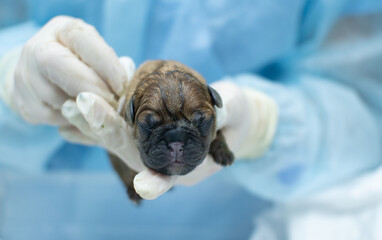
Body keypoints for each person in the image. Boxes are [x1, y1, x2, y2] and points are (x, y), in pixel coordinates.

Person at [0, 0, 381, 239]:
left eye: (200, 122)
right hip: (34, 214)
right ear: (130, 114)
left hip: (237, 220)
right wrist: (10, 73)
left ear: (216, 107)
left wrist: (267, 125)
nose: (177, 144)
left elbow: (366, 94)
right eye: (151, 124)